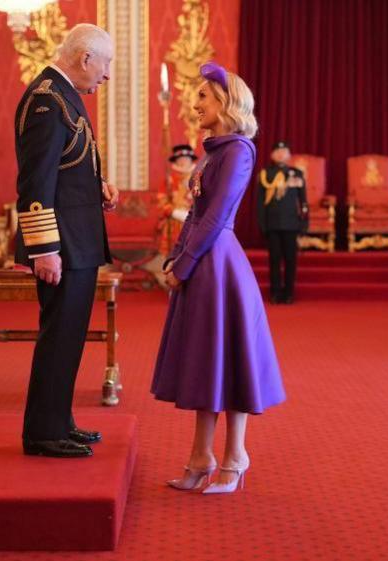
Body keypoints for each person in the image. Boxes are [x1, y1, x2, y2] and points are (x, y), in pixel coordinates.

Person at [152, 61, 285, 494]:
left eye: (204, 97)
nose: (195, 104)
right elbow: (194, 213)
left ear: (226, 102)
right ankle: (201, 455)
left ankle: (236, 456)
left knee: (231, 360)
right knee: (208, 363)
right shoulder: (214, 149)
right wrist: (175, 258)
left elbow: (216, 217)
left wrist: (186, 263)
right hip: (202, 261)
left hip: (219, 265)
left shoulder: (239, 151)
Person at [14, 24, 118, 458]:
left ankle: (59, 421)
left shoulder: (63, 94)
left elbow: (66, 168)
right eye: (106, 64)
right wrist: (44, 250)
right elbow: (35, 182)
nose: (107, 75)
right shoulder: (46, 100)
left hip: (77, 240)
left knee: (70, 337)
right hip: (62, 246)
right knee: (59, 337)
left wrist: (100, 188)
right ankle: (43, 433)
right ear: (85, 58)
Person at [257, 140, 308, 304]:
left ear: (289, 155)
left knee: (290, 260)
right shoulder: (265, 174)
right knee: (274, 259)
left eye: (284, 151)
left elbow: (303, 202)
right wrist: (263, 224)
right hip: (272, 224)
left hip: (291, 224)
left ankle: (289, 293)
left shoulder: (297, 174)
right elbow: (260, 203)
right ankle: (275, 292)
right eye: (277, 151)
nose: (280, 154)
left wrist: (303, 224)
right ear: (272, 155)